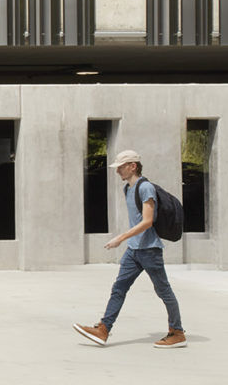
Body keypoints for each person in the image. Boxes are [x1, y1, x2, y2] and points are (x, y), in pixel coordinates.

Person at [72, 149, 186, 349]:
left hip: (150, 250)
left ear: (133, 166)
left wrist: (120, 238)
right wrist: (127, 241)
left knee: (163, 291)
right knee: (119, 288)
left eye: (121, 168)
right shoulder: (128, 189)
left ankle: (176, 332)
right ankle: (104, 329)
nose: (118, 172)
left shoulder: (146, 188)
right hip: (134, 251)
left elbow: (148, 222)